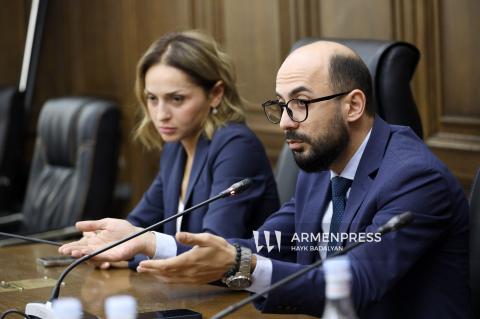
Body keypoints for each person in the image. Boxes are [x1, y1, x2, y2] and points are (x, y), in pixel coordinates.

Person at [59, 41, 472, 319]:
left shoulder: (414, 178)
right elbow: (265, 245)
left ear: (354, 105)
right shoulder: (319, 166)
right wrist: (150, 240)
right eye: (282, 105)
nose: (287, 122)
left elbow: (357, 281)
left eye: (302, 104)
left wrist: (243, 264)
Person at [96, 30, 280, 269]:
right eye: (152, 98)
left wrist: (130, 254)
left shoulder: (236, 146)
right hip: (189, 292)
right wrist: (105, 243)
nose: (161, 115)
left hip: (242, 297)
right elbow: (138, 224)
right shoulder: (175, 148)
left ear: (215, 94)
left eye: (177, 99)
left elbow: (212, 251)